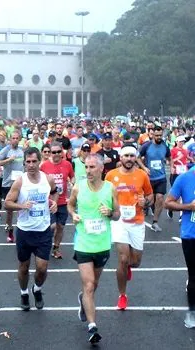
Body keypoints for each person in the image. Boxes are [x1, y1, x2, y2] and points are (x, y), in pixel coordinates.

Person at [68, 153, 120, 344]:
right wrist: (73, 215)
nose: (88, 171)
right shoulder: (78, 187)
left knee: (93, 285)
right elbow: (70, 206)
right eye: (86, 167)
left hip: (102, 244)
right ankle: (92, 326)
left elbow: (118, 215)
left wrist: (110, 213)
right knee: (89, 284)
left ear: (101, 169)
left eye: (92, 167)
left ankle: (83, 300)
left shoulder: (110, 188)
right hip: (83, 243)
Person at [4, 147, 58, 310]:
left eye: (34, 161)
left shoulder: (48, 179)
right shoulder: (20, 181)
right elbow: (7, 203)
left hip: (43, 231)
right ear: (24, 163)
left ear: (40, 161)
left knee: (42, 268)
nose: (31, 165)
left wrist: (53, 202)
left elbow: (55, 193)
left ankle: (37, 289)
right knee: (24, 266)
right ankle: (24, 292)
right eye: (28, 162)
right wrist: (22, 206)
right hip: (25, 231)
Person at [105, 144, 153, 310]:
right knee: (123, 259)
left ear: (136, 158)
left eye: (132, 156)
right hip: (118, 222)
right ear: (121, 157)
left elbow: (150, 196)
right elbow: (105, 195)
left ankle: (129, 268)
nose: (129, 159)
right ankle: (122, 295)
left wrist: (145, 202)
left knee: (135, 261)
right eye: (126, 156)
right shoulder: (111, 175)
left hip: (137, 221)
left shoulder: (142, 175)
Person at [165, 168, 195, 328]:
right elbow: (167, 202)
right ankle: (192, 313)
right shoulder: (184, 178)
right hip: (191, 235)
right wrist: (189, 206)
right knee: (194, 275)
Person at [40, 142, 74, 259]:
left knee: (60, 227)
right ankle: (45, 244)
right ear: (50, 153)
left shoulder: (67, 165)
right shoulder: (44, 166)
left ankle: (56, 248)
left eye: (58, 152)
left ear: (62, 152)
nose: (56, 154)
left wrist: (71, 183)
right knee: (52, 226)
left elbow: (72, 177)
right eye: (53, 152)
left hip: (63, 202)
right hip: (49, 201)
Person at [139, 126, 171, 231]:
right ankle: (142, 213)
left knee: (160, 198)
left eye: (160, 135)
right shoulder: (146, 146)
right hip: (149, 178)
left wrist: (171, 166)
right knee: (148, 201)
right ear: (152, 135)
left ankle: (155, 222)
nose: (158, 137)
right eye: (156, 135)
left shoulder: (165, 146)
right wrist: (144, 168)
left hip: (161, 177)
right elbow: (137, 157)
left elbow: (169, 157)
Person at [0, 131, 25, 243]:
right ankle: (9, 229)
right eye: (13, 138)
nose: (15, 140)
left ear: (19, 139)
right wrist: (9, 160)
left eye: (17, 138)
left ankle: (21, 230)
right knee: (9, 209)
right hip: (8, 183)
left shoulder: (22, 150)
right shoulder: (6, 150)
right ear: (10, 139)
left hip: (20, 183)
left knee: (20, 207)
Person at [168, 136, 188, 219]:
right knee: (175, 193)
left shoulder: (185, 151)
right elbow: (170, 160)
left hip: (183, 172)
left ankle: (181, 215)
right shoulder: (173, 150)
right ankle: (170, 208)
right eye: (180, 142)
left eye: (183, 142)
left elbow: (185, 160)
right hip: (175, 172)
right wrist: (172, 167)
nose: (181, 143)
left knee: (183, 193)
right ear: (176, 142)